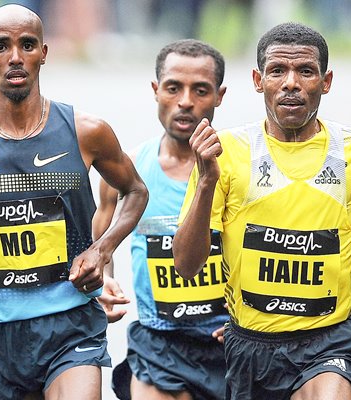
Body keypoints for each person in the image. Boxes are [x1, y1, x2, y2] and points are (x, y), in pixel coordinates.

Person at [0, 4, 148, 400]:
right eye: (1, 46)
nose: (15, 58)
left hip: (71, 325)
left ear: (44, 52)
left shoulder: (85, 132)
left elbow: (135, 191)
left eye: (27, 45)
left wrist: (101, 250)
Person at [173, 22, 351, 400]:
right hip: (250, 345)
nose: (291, 83)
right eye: (278, 71)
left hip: (328, 340)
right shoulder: (227, 151)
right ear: (258, 79)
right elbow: (186, 265)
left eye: (306, 71)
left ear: (326, 81)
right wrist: (205, 183)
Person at [92, 39, 228, 400]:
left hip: (229, 343)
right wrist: (104, 283)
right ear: (156, 91)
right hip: (158, 344)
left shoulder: (237, 170)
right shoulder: (128, 172)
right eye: (173, 88)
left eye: (200, 90)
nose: (185, 101)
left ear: (219, 96)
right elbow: (100, 247)